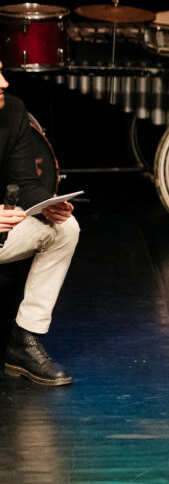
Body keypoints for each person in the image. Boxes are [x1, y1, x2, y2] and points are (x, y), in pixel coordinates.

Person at [0, 65, 79, 385]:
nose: (4, 82)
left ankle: (24, 340)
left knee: (65, 229)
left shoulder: (12, 110)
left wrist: (48, 204)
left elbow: (25, 181)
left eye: (1, 72)